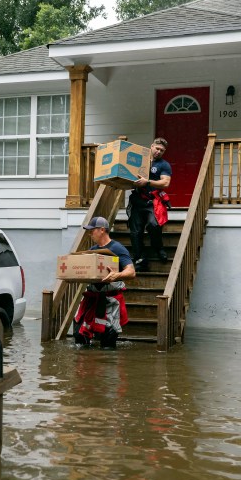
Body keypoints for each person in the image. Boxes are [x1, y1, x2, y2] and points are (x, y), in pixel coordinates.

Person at [73, 216, 136, 348]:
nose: (90, 233)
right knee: (79, 337)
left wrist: (116, 275)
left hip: (110, 301)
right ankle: (84, 366)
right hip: (92, 298)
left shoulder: (117, 248)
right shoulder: (92, 251)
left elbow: (131, 272)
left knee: (108, 343)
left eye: (92, 230)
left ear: (102, 230)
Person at [127, 137, 172, 272]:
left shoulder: (164, 165)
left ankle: (158, 247)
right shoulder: (138, 160)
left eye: (162, 150)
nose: (159, 152)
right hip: (137, 200)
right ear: (151, 146)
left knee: (154, 225)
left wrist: (148, 182)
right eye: (157, 148)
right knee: (135, 231)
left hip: (153, 201)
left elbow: (165, 183)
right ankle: (139, 258)